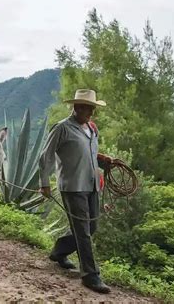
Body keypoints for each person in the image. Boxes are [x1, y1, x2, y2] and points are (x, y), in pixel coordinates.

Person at [39, 88, 113, 294]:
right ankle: (90, 276)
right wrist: (44, 182)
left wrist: (102, 159)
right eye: (85, 108)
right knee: (83, 232)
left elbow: (88, 153)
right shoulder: (62, 128)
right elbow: (46, 156)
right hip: (72, 186)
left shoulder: (91, 129)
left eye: (91, 108)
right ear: (75, 107)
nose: (89, 112)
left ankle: (59, 251)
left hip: (91, 185)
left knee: (91, 227)